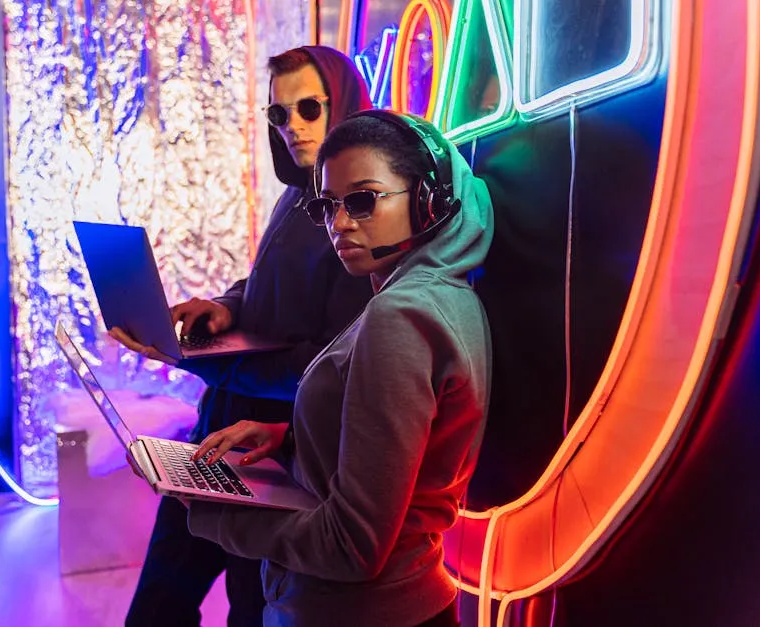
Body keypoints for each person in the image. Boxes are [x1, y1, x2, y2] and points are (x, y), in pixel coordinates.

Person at [185, 110, 495, 627]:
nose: (340, 223)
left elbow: (352, 546)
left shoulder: (401, 318)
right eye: (328, 206)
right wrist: (290, 438)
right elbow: (409, 455)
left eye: (363, 200)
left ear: (428, 200)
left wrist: (215, 513)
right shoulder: (441, 296)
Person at [112, 47, 374, 627]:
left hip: (272, 454)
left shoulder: (356, 217)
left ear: (346, 105)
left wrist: (198, 362)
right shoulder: (299, 195)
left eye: (309, 108)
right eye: (280, 115)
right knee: (158, 601)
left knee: (248, 609)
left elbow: (325, 370)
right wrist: (225, 308)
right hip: (221, 432)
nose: (293, 127)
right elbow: (263, 284)